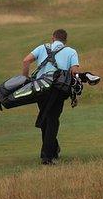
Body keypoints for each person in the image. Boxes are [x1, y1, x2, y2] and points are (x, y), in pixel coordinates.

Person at [22, 29, 79, 165]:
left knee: (45, 118)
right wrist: (74, 95)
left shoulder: (43, 48)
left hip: (40, 88)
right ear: (65, 41)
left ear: (53, 38)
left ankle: (52, 149)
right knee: (52, 120)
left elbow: (26, 61)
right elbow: (75, 72)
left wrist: (25, 80)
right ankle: (47, 157)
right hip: (58, 90)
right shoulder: (71, 52)